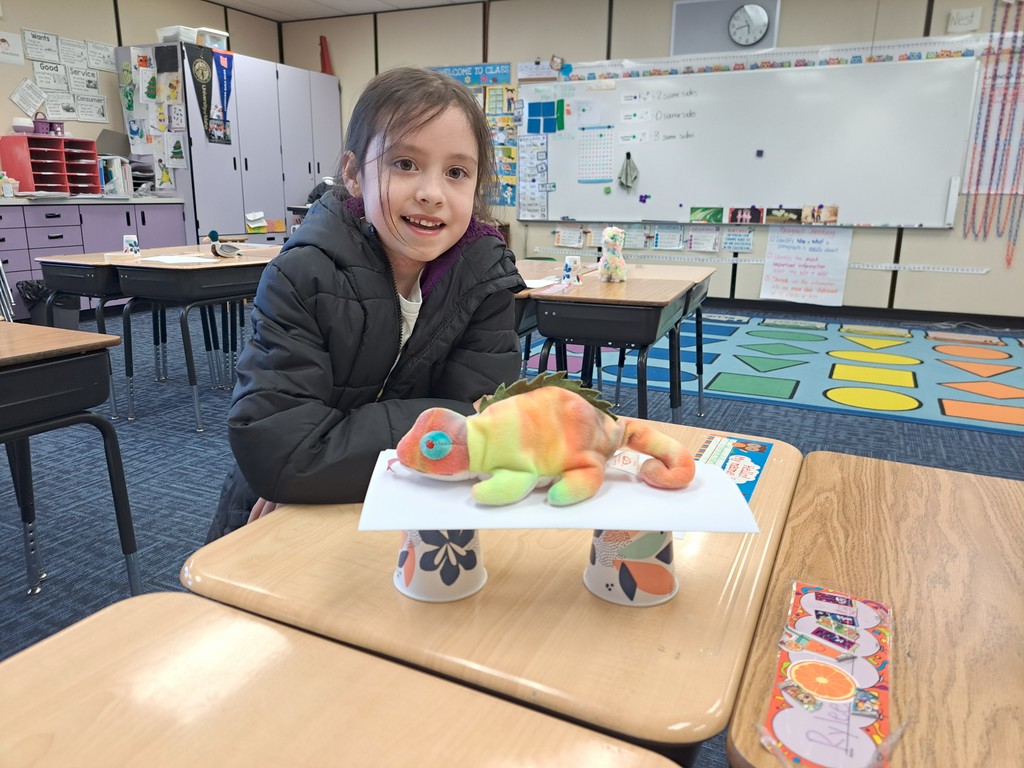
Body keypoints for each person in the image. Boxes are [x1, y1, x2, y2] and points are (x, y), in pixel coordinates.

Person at [208, 67, 527, 540]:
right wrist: (303, 466)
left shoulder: (485, 279)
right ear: (354, 174)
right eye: (404, 164)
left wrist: (324, 455)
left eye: (456, 172)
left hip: (418, 507)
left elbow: (482, 426)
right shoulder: (303, 275)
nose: (431, 193)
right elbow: (281, 451)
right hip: (288, 518)